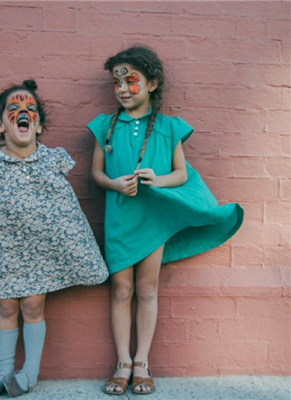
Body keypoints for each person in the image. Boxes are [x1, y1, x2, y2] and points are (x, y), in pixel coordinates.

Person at [87, 45, 243, 395]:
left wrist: (157, 180)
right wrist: (114, 184)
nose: (122, 89)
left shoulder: (169, 128)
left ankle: (141, 362)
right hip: (120, 217)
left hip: (152, 220)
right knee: (121, 288)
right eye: (116, 82)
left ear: (153, 83)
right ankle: (122, 363)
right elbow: (95, 174)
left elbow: (181, 174)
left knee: (146, 288)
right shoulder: (105, 127)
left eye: (130, 80)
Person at [0, 79, 108, 398]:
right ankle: (4, 370)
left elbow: (66, 205)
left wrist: (72, 242)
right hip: (6, 249)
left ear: (38, 126)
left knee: (33, 305)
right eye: (14, 109)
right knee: (6, 306)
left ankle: (30, 372)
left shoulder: (54, 159)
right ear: (0, 125)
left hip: (41, 254)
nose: (23, 112)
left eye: (30, 109)